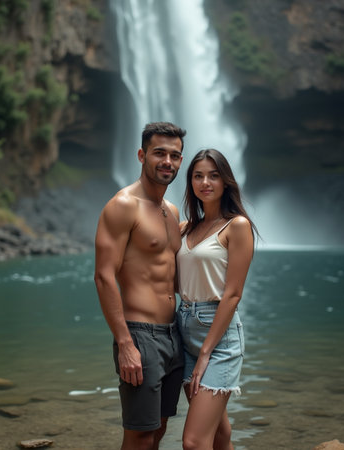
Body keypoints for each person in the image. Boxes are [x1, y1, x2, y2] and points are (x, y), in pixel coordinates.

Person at [94, 122, 187, 450]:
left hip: (173, 334)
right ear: (141, 155)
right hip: (140, 335)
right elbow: (104, 276)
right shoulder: (123, 206)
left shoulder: (170, 212)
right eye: (159, 153)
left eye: (175, 156)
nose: (168, 162)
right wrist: (125, 343)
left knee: (159, 427)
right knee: (140, 435)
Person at [176, 149, 257, 450]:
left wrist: (207, 351)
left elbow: (233, 294)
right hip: (184, 329)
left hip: (218, 338)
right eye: (198, 176)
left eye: (213, 175)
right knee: (218, 433)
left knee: (194, 442)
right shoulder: (186, 228)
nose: (205, 182)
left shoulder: (236, 226)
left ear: (226, 182)